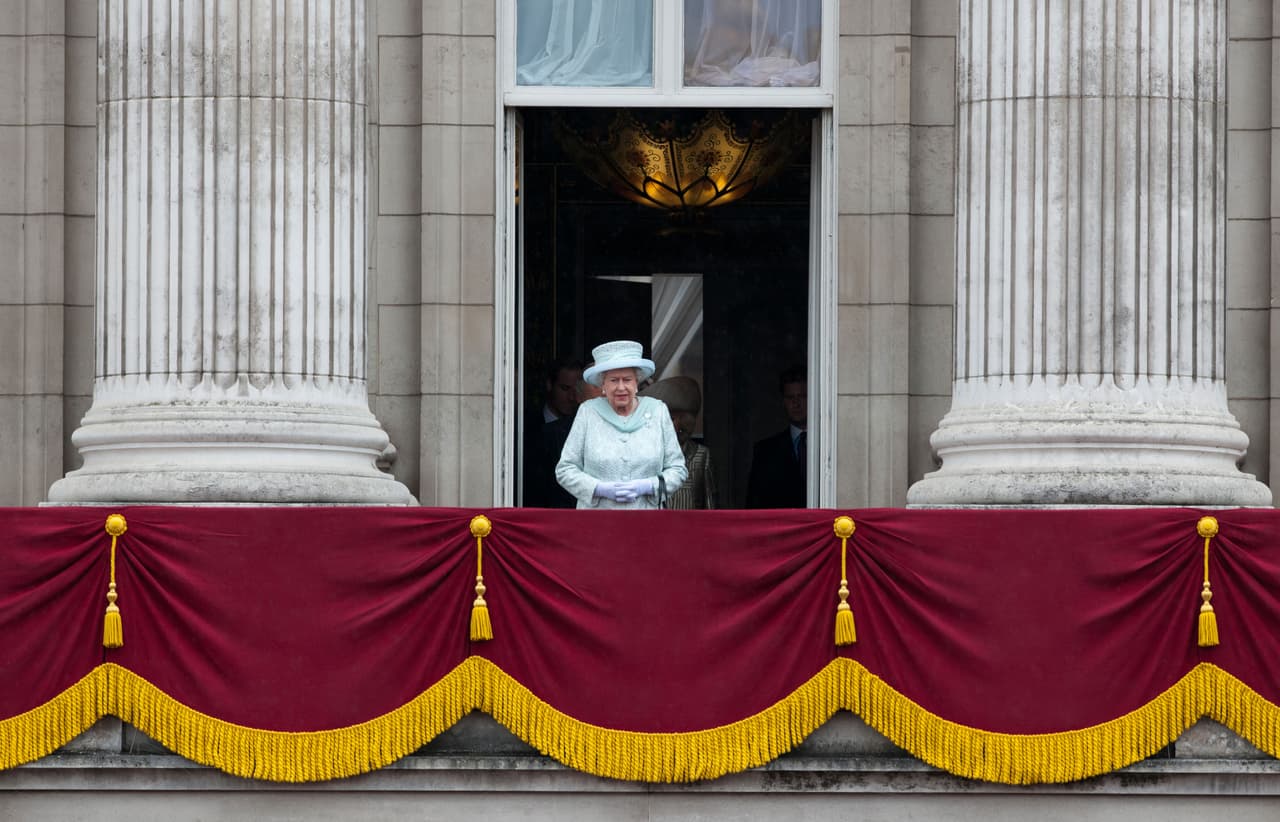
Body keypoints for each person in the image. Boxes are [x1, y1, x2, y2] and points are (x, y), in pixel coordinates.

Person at [556, 340, 687, 509]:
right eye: (613, 380)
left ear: (637, 382)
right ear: (603, 384)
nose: (621, 387)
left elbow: (677, 470)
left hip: (646, 521)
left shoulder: (658, 411)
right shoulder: (588, 412)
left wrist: (647, 486)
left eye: (627, 380)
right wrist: (599, 489)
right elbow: (565, 469)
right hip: (597, 523)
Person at [641, 376, 717, 510]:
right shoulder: (645, 453)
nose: (676, 426)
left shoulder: (700, 455)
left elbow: (710, 502)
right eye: (671, 418)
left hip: (690, 528)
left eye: (684, 418)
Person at [523, 358, 583, 507]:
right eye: (565, 388)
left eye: (576, 390)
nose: (572, 397)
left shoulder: (584, 425)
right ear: (550, 385)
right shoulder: (525, 427)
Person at [746, 366, 807, 508]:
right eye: (790, 397)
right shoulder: (765, 451)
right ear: (783, 401)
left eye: (802, 396)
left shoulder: (827, 444)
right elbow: (754, 506)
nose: (796, 403)